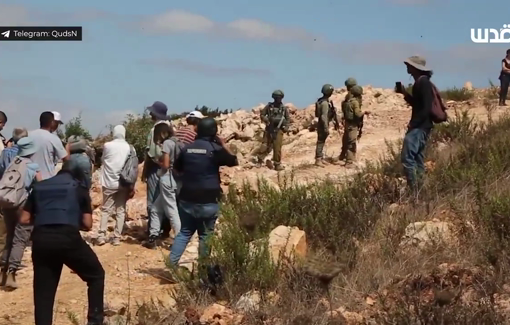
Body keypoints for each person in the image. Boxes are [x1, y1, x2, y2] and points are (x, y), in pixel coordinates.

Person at [19, 160, 105, 325]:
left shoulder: (40, 187)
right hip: (68, 238)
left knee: (44, 292)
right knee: (96, 275)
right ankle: (95, 321)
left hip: (41, 240)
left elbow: (24, 218)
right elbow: (87, 224)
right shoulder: (79, 189)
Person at [169, 117, 238, 269]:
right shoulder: (215, 150)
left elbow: (176, 169)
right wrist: (223, 144)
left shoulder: (187, 149)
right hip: (209, 199)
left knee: (184, 233)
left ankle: (171, 266)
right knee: (206, 235)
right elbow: (234, 160)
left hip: (187, 198)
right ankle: (203, 269)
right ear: (214, 131)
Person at [0, 136, 42, 289]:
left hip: (7, 203)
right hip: (22, 204)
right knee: (20, 238)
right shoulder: (33, 166)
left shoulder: (13, 162)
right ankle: (12, 273)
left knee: (9, 236)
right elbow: (40, 186)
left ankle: (2, 271)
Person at [395, 55, 434, 193]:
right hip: (422, 126)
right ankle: (421, 191)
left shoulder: (423, 83)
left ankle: (415, 191)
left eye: (409, 65)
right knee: (417, 159)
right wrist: (405, 93)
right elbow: (418, 104)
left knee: (407, 159)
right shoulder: (421, 82)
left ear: (416, 68)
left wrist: (413, 124)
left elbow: (426, 107)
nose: (407, 67)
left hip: (420, 126)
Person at [145, 123, 181, 248]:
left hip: (167, 179)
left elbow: (166, 164)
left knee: (171, 210)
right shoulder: (177, 142)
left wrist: (159, 169)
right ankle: (153, 236)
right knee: (156, 209)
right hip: (175, 180)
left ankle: (179, 239)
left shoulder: (167, 144)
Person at [142, 101, 172, 238]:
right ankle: (165, 229)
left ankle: (152, 232)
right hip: (170, 168)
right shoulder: (171, 127)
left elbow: (151, 154)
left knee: (153, 200)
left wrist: (145, 171)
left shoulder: (155, 130)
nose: (150, 114)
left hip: (156, 168)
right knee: (166, 199)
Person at [97, 125, 131, 246]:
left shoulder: (107, 145)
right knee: (120, 210)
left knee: (106, 209)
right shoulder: (128, 147)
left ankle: (101, 235)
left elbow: (103, 160)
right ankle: (117, 237)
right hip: (123, 183)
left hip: (109, 182)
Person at [255, 90, 290, 171]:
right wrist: (266, 120)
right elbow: (262, 114)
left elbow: (288, 119)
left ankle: (277, 164)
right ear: (274, 98)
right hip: (269, 128)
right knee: (264, 145)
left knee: (277, 147)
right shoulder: (269, 106)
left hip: (279, 129)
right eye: (277, 97)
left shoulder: (284, 108)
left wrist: (286, 128)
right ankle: (259, 160)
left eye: (280, 98)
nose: (279, 99)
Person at [29, 111, 69, 180]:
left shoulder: (29, 135)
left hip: (29, 179)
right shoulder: (54, 139)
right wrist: (68, 147)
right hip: (47, 180)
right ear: (52, 122)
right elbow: (66, 159)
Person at [338, 85, 370, 167]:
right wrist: (364, 112)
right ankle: (349, 162)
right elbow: (358, 114)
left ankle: (349, 158)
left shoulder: (347, 101)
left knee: (348, 140)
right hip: (353, 124)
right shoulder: (355, 102)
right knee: (351, 143)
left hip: (348, 123)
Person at [314, 84, 335, 166]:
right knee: (320, 141)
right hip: (323, 124)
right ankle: (318, 159)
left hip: (320, 123)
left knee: (321, 141)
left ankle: (320, 158)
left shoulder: (320, 101)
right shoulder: (325, 103)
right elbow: (323, 116)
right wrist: (326, 127)